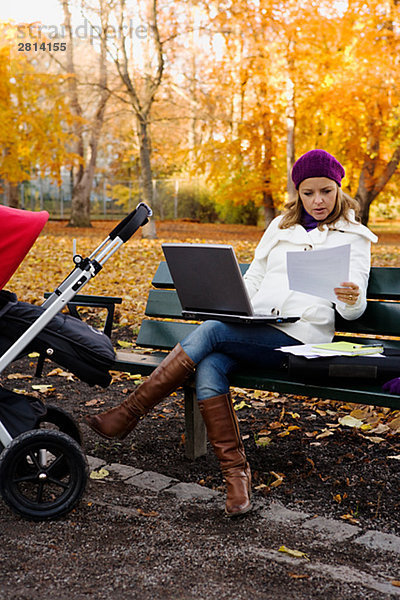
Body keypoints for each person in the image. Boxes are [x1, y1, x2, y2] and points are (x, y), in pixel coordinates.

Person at [85, 149, 378, 517]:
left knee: (211, 333)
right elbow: (254, 276)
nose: (317, 201)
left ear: (338, 188)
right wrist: (235, 303)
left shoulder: (354, 236)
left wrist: (351, 299)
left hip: (302, 339)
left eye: (325, 191)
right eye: (308, 193)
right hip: (257, 326)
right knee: (212, 364)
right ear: (297, 192)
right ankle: (236, 478)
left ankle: (129, 413)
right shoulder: (280, 227)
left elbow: (355, 307)